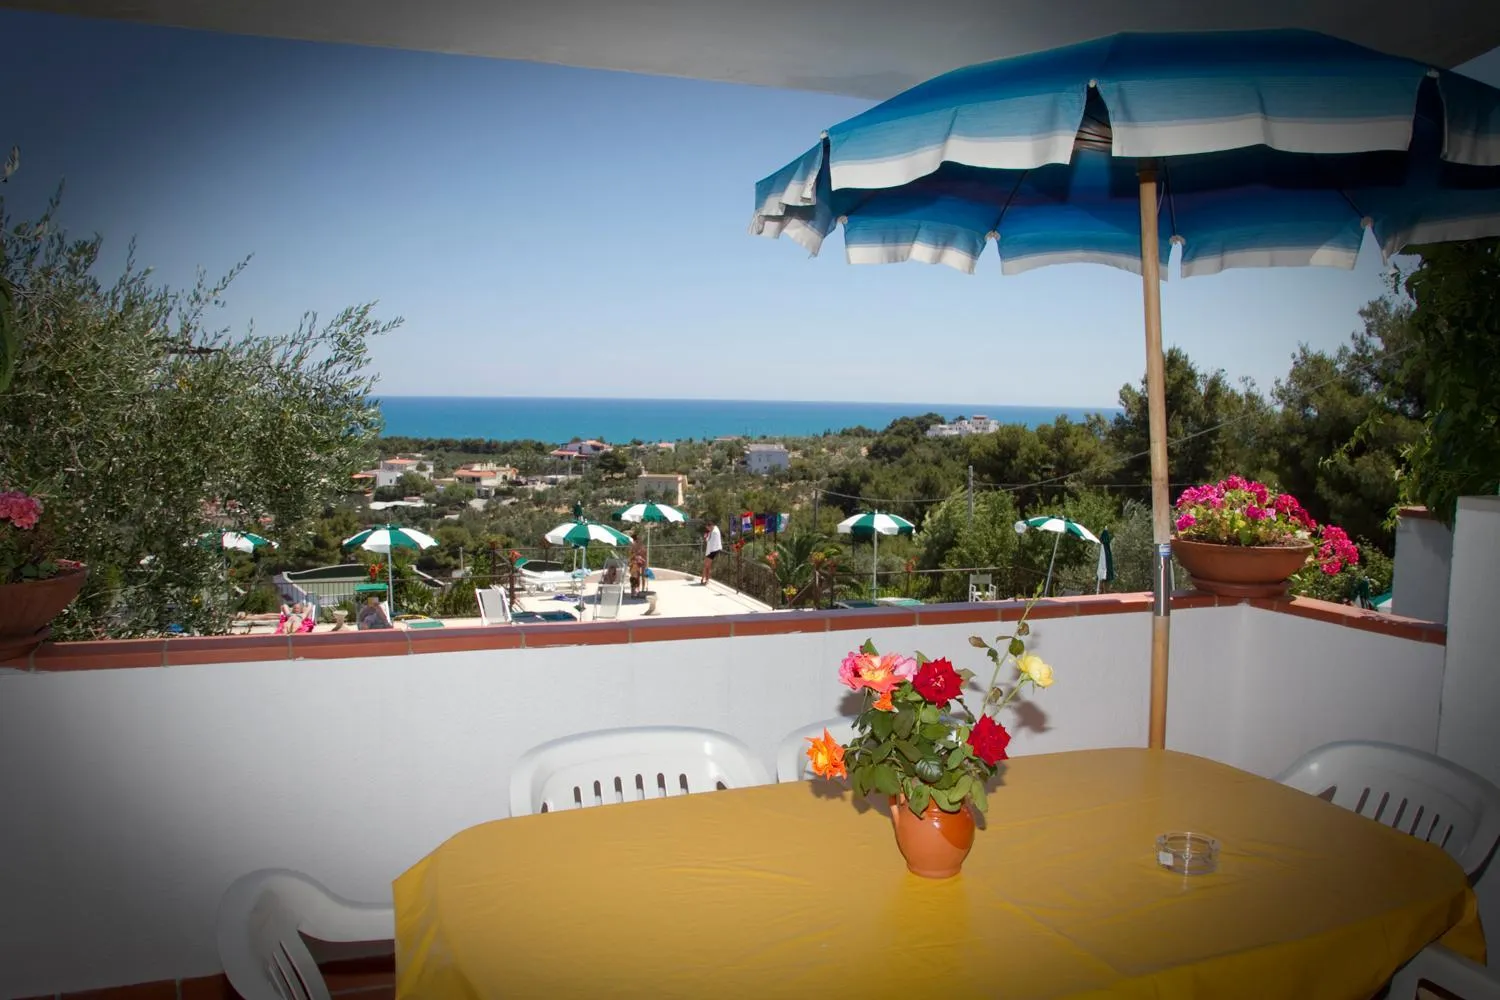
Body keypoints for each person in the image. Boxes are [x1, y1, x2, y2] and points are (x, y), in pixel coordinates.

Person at [701, 518, 723, 585]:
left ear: (710, 526)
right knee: (707, 565)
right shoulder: (714, 529)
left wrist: (706, 538)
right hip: (711, 550)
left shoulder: (714, 532)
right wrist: (707, 537)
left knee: (706, 565)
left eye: (708, 528)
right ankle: (704, 579)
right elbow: (709, 539)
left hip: (713, 551)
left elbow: (711, 542)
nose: (708, 529)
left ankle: (705, 579)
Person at [628, 532, 647, 597]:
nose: (639, 540)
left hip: (638, 563)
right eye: (638, 539)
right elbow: (631, 556)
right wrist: (636, 554)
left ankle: (638, 591)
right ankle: (635, 591)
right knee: (635, 577)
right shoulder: (633, 546)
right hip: (635, 563)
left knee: (638, 577)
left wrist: (640, 556)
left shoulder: (640, 546)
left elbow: (644, 554)